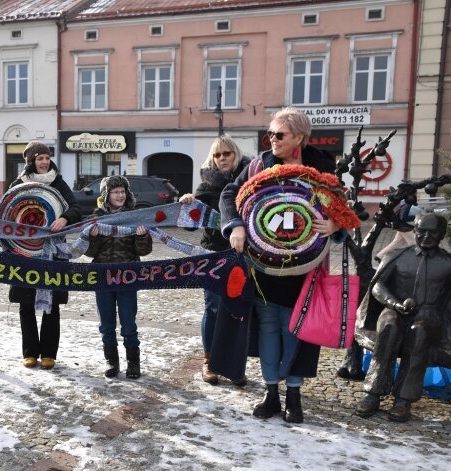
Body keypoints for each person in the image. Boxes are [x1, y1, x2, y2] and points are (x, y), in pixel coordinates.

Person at [219, 107, 340, 424]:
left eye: (279, 134)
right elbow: (230, 194)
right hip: (264, 268)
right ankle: (271, 393)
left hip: (307, 268)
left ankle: (294, 396)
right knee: (269, 329)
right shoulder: (260, 165)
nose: (272, 139)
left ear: (299, 137)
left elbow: (341, 203)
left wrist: (336, 224)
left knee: (298, 330)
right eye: (269, 134)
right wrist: (235, 225)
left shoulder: (322, 165)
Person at [356, 213, 451, 422]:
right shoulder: (398, 256)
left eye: (432, 232)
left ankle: (403, 399)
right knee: (389, 325)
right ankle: (372, 394)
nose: (425, 236)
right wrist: (394, 303)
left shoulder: (447, 264)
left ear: (441, 234)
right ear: (414, 230)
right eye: (421, 231)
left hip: (429, 315)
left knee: (420, 332)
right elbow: (378, 286)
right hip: (394, 309)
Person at [179, 134, 250, 386]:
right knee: (212, 307)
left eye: (226, 153)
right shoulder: (207, 185)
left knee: (239, 308)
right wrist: (188, 204)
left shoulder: (250, 180)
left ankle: (234, 364)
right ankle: (209, 360)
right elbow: (188, 226)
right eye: (217, 155)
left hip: (244, 254)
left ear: (235, 154)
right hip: (213, 254)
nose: (222, 159)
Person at [8, 141, 82, 369]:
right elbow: (5, 211)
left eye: (46, 158)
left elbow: (76, 208)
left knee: (53, 303)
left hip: (54, 251)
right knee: (25, 302)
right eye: (39, 158)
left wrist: (65, 218)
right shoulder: (19, 184)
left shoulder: (58, 183)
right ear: (31, 161)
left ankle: (49, 353)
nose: (44, 161)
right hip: (23, 251)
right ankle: (30, 352)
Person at [85, 176, 152, 379]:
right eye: (115, 192)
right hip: (103, 278)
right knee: (106, 324)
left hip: (127, 278)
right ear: (106, 195)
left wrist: (141, 236)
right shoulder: (96, 218)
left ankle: (133, 362)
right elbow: (88, 252)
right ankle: (111, 361)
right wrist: (94, 237)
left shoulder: (134, 216)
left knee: (128, 323)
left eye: (123, 191)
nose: (120, 195)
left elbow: (145, 250)